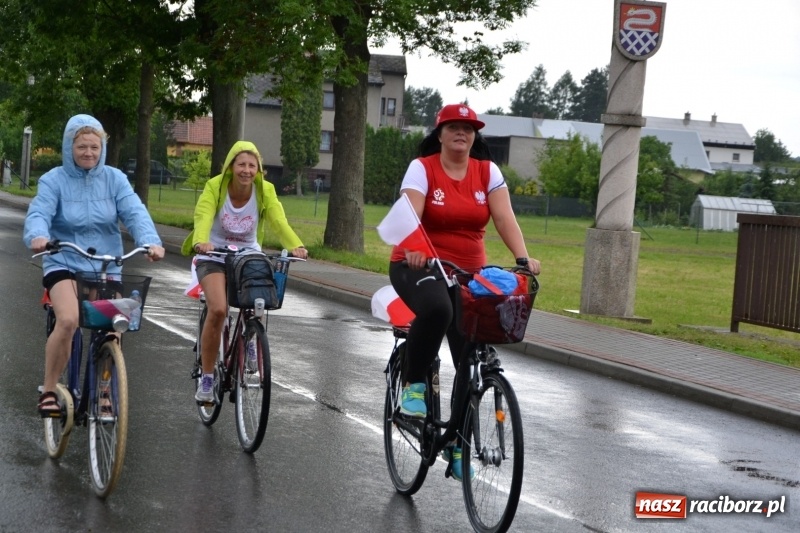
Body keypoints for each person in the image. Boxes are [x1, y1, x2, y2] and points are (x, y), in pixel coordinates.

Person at [388, 104, 542, 479]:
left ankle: (458, 446)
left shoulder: (487, 172)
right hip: (417, 265)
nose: (462, 133)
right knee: (439, 311)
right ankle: (413, 385)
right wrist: (415, 247)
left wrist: (522, 258)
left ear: (475, 136)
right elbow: (409, 212)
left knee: (469, 359)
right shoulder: (422, 168)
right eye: (454, 127)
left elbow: (504, 217)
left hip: (469, 274)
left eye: (469, 128)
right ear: (440, 133)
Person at [24, 114, 166, 418]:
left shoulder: (115, 179)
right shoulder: (54, 180)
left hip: (105, 263)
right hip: (63, 260)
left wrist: (150, 241)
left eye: (94, 147)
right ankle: (49, 390)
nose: (89, 153)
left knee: (114, 328)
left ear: (102, 148)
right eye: (82, 147)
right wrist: (38, 236)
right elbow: (40, 212)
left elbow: (134, 212)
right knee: (68, 320)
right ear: (69, 147)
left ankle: (104, 390)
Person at [182, 141, 308, 402]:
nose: (246, 170)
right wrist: (201, 240)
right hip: (214, 255)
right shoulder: (215, 186)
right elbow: (203, 214)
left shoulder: (265, 190)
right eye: (241, 164)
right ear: (231, 166)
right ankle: (207, 380)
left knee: (261, 298)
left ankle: (251, 337)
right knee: (218, 310)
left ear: (259, 170)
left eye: (252, 165)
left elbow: (277, 219)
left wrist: (294, 245)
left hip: (248, 254)